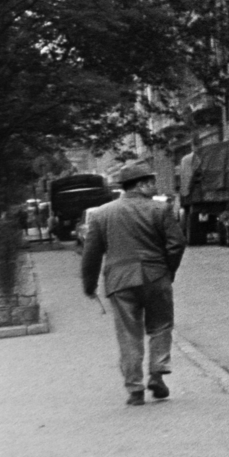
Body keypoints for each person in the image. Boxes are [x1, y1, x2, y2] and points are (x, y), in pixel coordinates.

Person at [81, 163, 186, 406]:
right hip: (155, 276)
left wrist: (89, 285)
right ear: (139, 185)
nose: (154, 186)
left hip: (119, 282)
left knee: (128, 334)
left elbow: (92, 253)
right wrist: (167, 271)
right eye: (150, 182)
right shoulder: (160, 210)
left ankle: (135, 389)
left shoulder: (102, 214)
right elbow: (177, 244)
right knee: (161, 326)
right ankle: (157, 373)